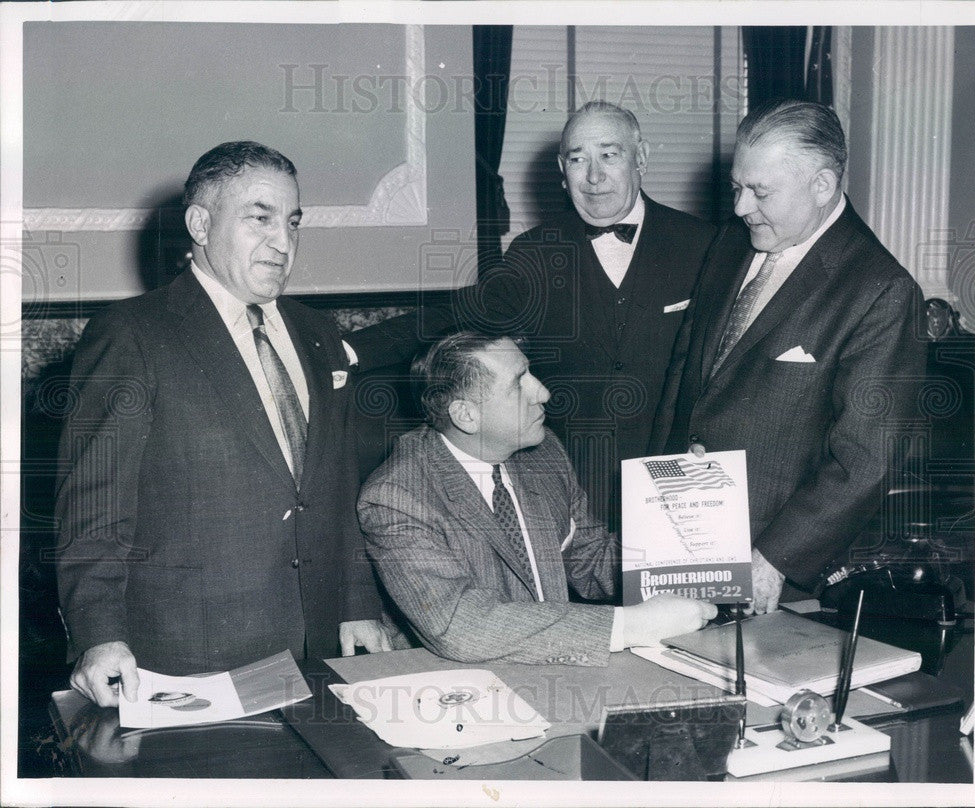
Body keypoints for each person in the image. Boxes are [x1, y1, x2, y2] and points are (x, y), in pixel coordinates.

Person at [55, 141, 391, 706]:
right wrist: (98, 637)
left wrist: (357, 602)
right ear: (200, 224)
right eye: (259, 218)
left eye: (292, 222)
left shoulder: (318, 334)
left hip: (320, 646)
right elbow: (94, 508)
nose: (282, 242)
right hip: (188, 658)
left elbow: (334, 489)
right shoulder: (133, 335)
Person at [348, 101, 716, 531]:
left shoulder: (705, 245)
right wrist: (349, 348)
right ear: (562, 171)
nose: (593, 177)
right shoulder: (536, 251)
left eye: (609, 155)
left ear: (642, 158)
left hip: (679, 482)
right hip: (572, 486)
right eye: (578, 159)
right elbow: (460, 312)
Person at [648, 99, 926, 615]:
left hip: (776, 574)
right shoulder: (732, 243)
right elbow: (684, 376)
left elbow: (866, 459)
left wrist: (773, 561)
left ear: (822, 185)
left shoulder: (880, 291)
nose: (739, 207)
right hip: (680, 542)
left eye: (760, 191)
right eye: (737, 187)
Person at [358, 332, 716, 666]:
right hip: (457, 688)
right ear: (466, 415)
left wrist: (682, 514)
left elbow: (591, 560)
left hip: (556, 666)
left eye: (531, 373)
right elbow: (459, 626)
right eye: (519, 384)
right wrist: (633, 625)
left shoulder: (542, 454)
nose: (542, 392)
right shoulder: (397, 496)